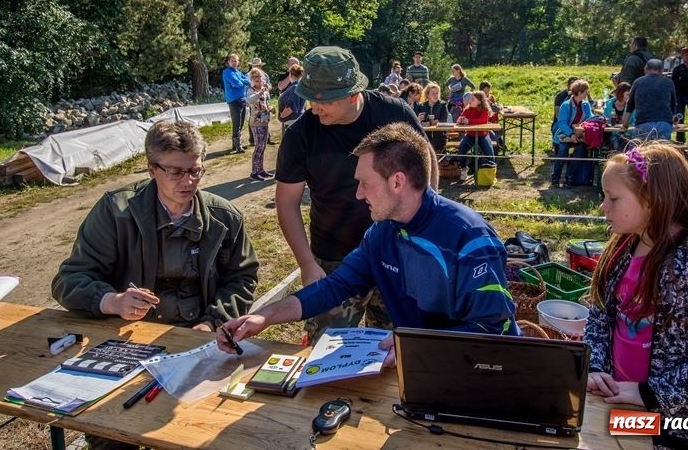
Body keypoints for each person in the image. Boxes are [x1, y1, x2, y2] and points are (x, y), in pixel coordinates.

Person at [219, 123, 519, 366]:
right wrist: (264, 316)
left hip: (480, 373)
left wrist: (418, 347)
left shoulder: (470, 238)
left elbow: (494, 329)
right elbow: (335, 286)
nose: (359, 194)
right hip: (421, 366)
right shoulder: (381, 233)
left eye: (365, 183)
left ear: (397, 182)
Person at [52, 120, 259, 450]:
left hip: (199, 342)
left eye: (195, 171)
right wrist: (112, 301)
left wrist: (212, 322)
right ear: (151, 170)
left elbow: (242, 277)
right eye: (175, 172)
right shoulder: (116, 212)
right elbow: (69, 280)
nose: (188, 182)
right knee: (110, 432)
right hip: (130, 341)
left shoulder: (225, 217)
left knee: (210, 430)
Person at [584, 142, 688, 449]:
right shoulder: (623, 248)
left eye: (613, 198)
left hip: (681, 428)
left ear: (652, 199)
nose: (603, 206)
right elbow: (599, 317)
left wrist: (651, 392)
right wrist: (595, 367)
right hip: (623, 407)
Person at [275, 46, 438, 345]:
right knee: (327, 350)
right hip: (334, 257)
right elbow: (286, 201)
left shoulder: (393, 113)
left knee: (396, 347)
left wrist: (426, 220)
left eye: (325, 101)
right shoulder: (301, 134)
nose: (315, 108)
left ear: (353, 95)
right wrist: (307, 263)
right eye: (310, 99)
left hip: (395, 251)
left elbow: (425, 158)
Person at [551, 79, 593, 188]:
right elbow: (561, 123)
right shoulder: (565, 105)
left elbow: (590, 118)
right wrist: (571, 134)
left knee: (580, 152)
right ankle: (555, 178)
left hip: (580, 135)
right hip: (565, 135)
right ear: (579, 92)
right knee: (562, 151)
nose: (587, 94)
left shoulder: (586, 105)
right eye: (585, 92)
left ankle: (569, 178)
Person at [623, 59, 676, 141]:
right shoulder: (668, 82)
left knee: (644, 149)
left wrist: (625, 123)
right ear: (661, 70)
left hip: (643, 123)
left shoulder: (638, 82)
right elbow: (673, 105)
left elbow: (630, 104)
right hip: (664, 123)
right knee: (662, 149)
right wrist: (673, 122)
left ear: (646, 68)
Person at [456, 90, 496, 179]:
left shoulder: (485, 110)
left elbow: (482, 120)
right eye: (470, 98)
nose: (470, 101)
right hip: (470, 135)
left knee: (490, 153)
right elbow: (462, 116)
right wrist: (460, 119)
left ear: (479, 101)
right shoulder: (468, 109)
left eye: (472, 99)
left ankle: (490, 170)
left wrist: (469, 121)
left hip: (483, 135)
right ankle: (463, 168)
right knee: (461, 149)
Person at [247, 67, 274, 181]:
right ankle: (254, 172)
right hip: (256, 122)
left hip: (265, 121)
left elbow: (266, 102)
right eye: (254, 77)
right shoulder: (251, 90)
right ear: (251, 79)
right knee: (258, 146)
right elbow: (250, 100)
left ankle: (261, 170)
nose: (257, 79)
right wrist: (260, 93)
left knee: (263, 146)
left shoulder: (265, 90)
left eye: (259, 76)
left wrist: (271, 108)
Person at [221, 53, 251, 153]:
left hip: (242, 99)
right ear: (228, 62)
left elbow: (248, 81)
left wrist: (240, 81)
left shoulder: (238, 72)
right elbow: (238, 84)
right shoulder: (227, 72)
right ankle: (238, 146)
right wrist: (240, 82)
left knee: (241, 122)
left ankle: (236, 145)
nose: (234, 62)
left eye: (236, 61)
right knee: (236, 123)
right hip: (233, 100)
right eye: (232, 61)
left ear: (238, 62)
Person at [603, 82, 633, 152]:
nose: (629, 97)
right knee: (618, 142)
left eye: (630, 95)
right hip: (612, 135)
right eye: (627, 94)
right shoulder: (608, 105)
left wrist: (626, 134)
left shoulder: (632, 106)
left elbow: (634, 123)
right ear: (620, 94)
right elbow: (606, 122)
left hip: (628, 135)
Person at [420, 82, 449, 152]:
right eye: (433, 93)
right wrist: (419, 120)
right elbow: (418, 121)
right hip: (425, 137)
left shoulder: (442, 105)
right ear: (427, 94)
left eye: (437, 93)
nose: (436, 95)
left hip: (440, 137)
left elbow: (443, 120)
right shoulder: (422, 106)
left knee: (429, 148)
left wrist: (432, 122)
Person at [277, 63, 305, 129]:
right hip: (295, 121)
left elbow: (291, 108)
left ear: (291, 75)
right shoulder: (298, 86)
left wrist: (281, 117)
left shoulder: (295, 87)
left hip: (293, 122)